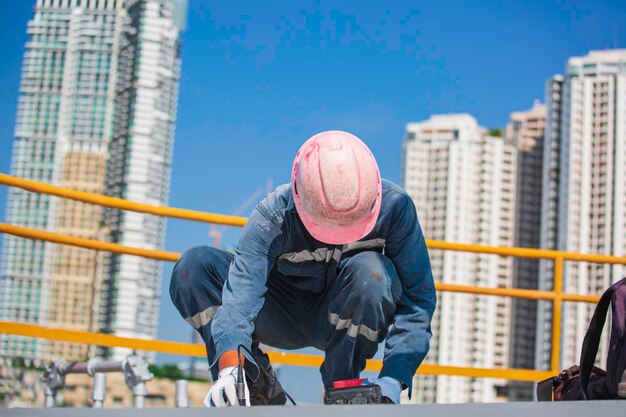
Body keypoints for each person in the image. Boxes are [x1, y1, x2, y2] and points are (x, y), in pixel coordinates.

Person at [170, 130, 436, 406]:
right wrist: (229, 367)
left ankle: (342, 389)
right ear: (300, 197)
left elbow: (417, 302)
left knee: (373, 272)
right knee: (194, 269)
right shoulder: (271, 217)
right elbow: (239, 300)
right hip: (275, 314)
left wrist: (393, 379)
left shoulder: (395, 208)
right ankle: (252, 383)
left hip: (340, 318)